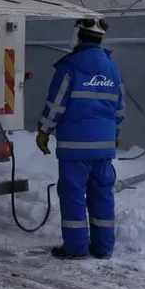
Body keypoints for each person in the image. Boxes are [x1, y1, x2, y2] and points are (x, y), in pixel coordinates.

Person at [35, 17, 125, 260]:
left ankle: (75, 249)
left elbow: (56, 105)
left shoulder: (69, 67)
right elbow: (119, 109)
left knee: (73, 196)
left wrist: (44, 131)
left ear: (79, 37)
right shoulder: (113, 69)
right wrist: (115, 134)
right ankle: (103, 247)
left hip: (74, 149)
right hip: (103, 149)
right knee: (102, 196)